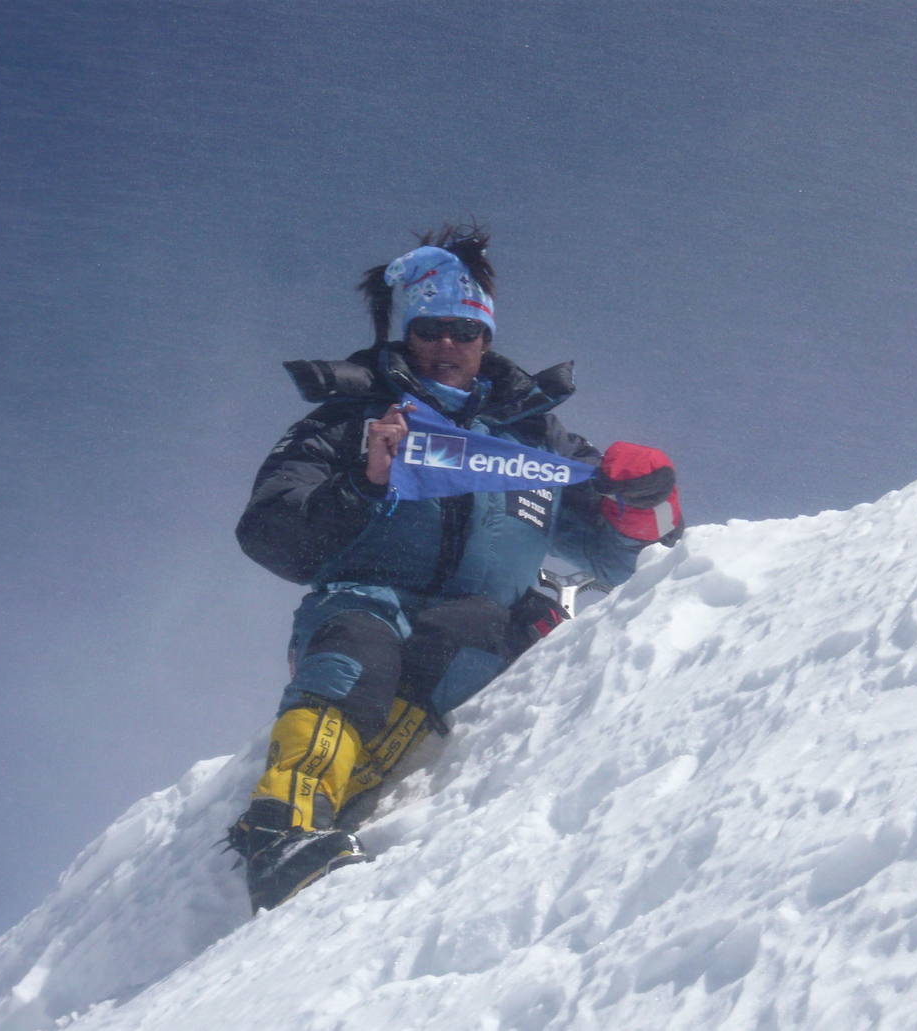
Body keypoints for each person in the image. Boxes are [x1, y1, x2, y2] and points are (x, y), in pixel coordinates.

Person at [225, 225, 683, 912]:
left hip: (483, 631)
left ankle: (341, 805)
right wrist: (365, 483)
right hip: (365, 602)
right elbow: (269, 530)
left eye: (464, 333)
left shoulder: (531, 438)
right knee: (357, 651)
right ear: (404, 334)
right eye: (431, 329)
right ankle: (281, 828)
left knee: (465, 640)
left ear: (485, 341)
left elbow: (627, 558)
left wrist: (646, 497)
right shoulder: (349, 420)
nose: (447, 346)